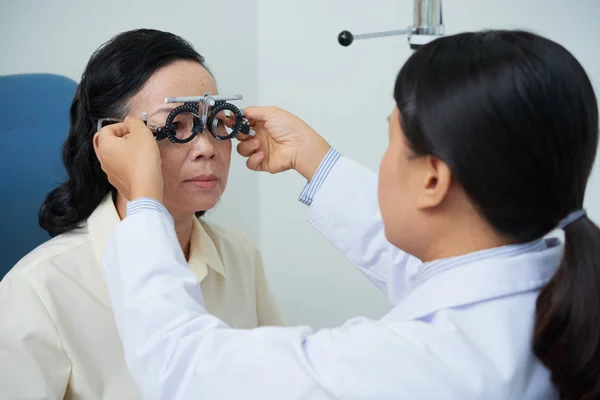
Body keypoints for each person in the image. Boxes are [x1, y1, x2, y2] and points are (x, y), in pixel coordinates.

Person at [95, 30, 600, 399]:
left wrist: (143, 200)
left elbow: (183, 367)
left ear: (432, 180)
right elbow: (434, 267)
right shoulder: (549, 283)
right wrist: (316, 161)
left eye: (390, 142)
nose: (206, 146)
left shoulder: (425, 364)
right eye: (178, 125)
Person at [0, 29, 285, 399]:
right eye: (175, 125)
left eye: (216, 122)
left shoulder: (239, 256)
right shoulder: (38, 289)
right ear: (110, 142)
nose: (206, 148)